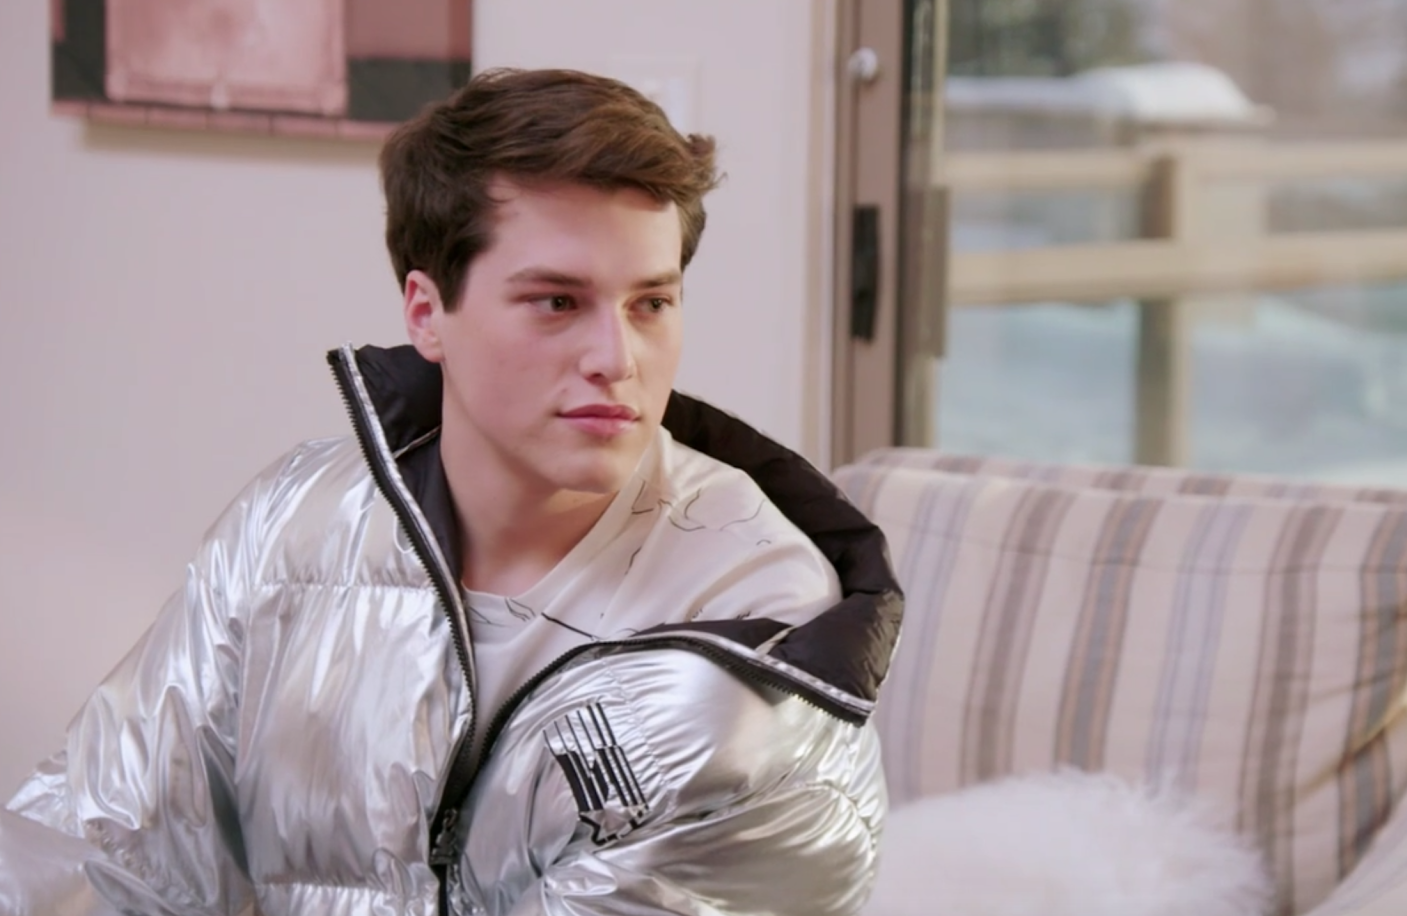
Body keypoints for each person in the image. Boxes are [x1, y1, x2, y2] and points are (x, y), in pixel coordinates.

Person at [0, 68, 903, 916]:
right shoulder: (299, 520)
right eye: (557, 302)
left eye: (651, 304)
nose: (616, 359)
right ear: (427, 314)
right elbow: (99, 840)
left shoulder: (761, 650)